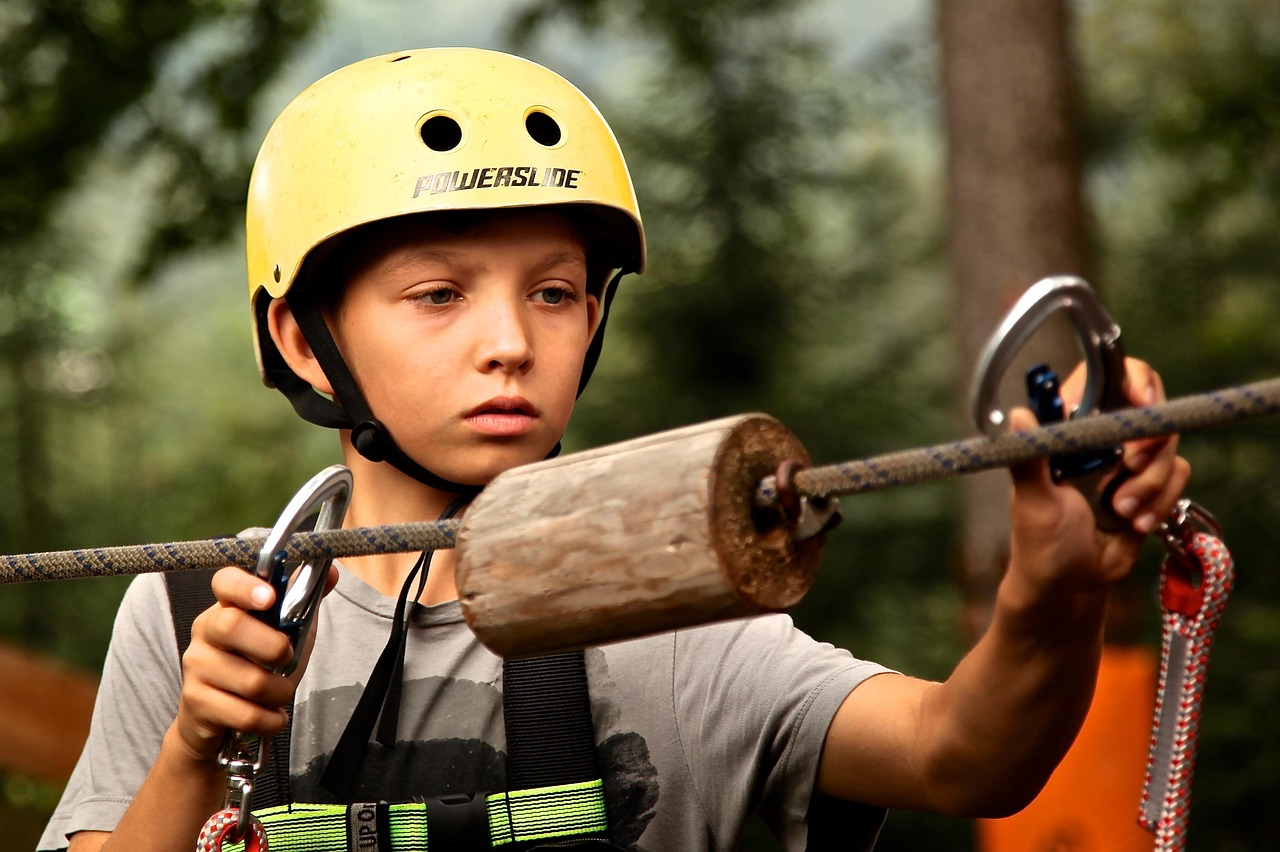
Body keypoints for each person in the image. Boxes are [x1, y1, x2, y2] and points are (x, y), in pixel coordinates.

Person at [40, 48, 1190, 852]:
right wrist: (198, 744)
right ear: (301, 336)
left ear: (594, 318)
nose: (508, 344)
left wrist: (1050, 590)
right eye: (438, 295)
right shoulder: (202, 610)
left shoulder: (669, 605)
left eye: (553, 291)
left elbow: (961, 756)